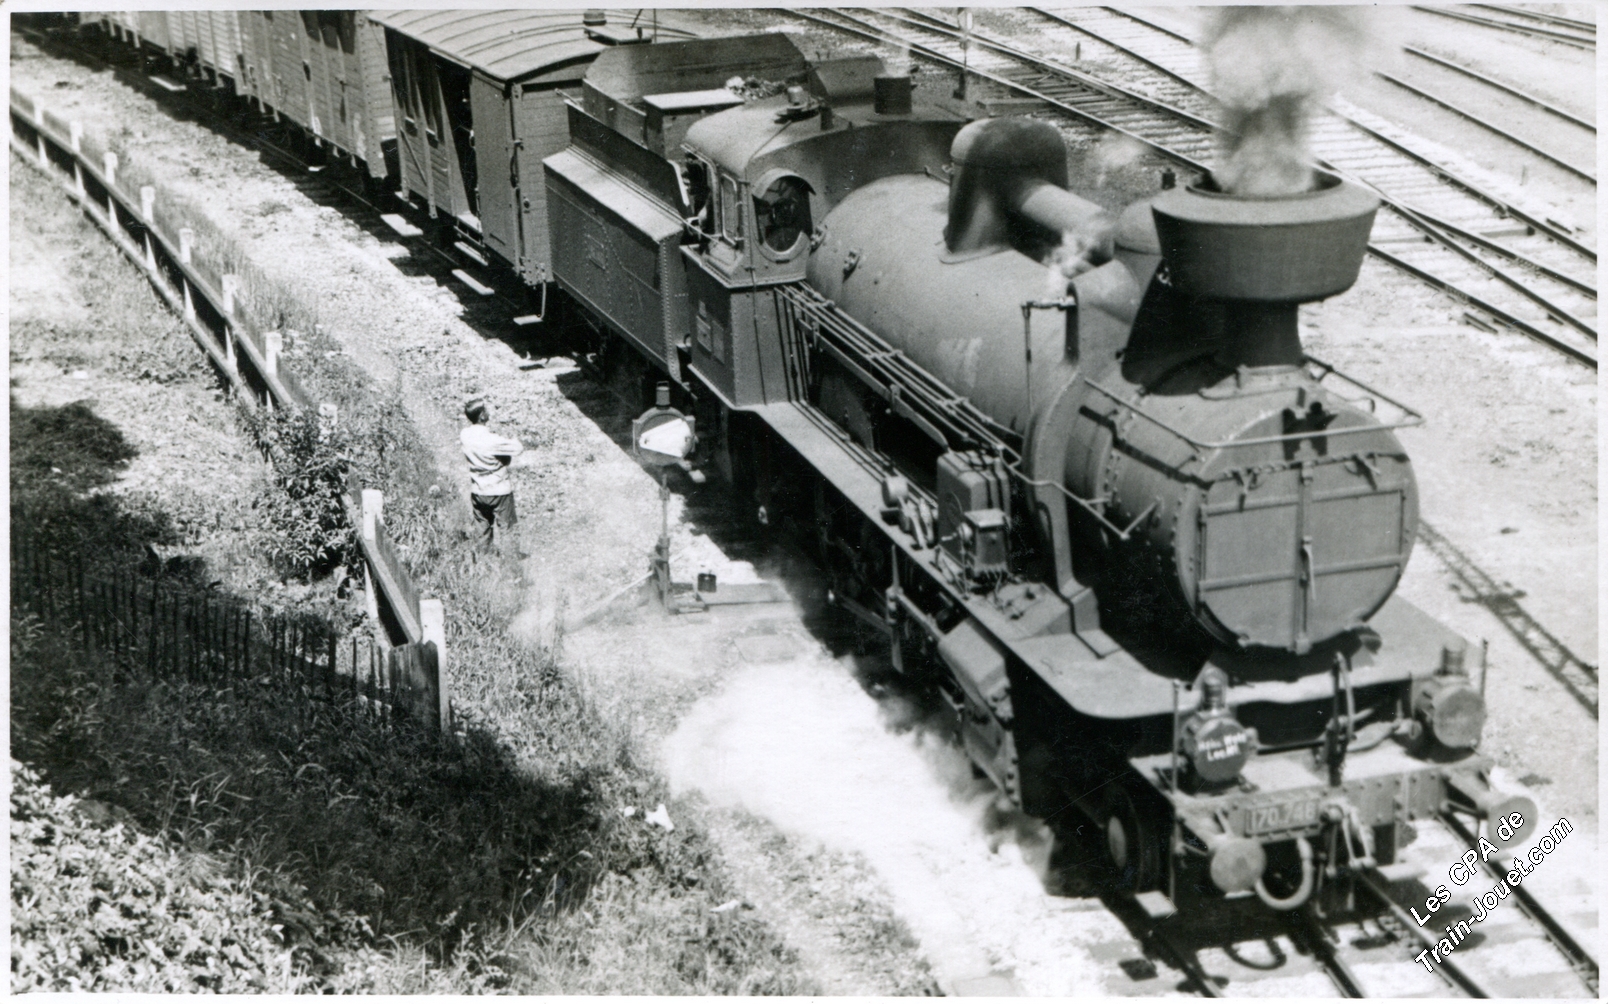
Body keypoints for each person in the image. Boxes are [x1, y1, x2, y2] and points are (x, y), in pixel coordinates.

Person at [460, 397, 525, 551]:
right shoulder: (492, 440)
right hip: (499, 491)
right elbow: (518, 448)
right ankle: (511, 561)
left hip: (478, 491)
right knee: (507, 529)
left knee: (482, 530)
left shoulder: (465, 435)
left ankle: (484, 561)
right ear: (482, 416)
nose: (489, 412)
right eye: (486, 410)